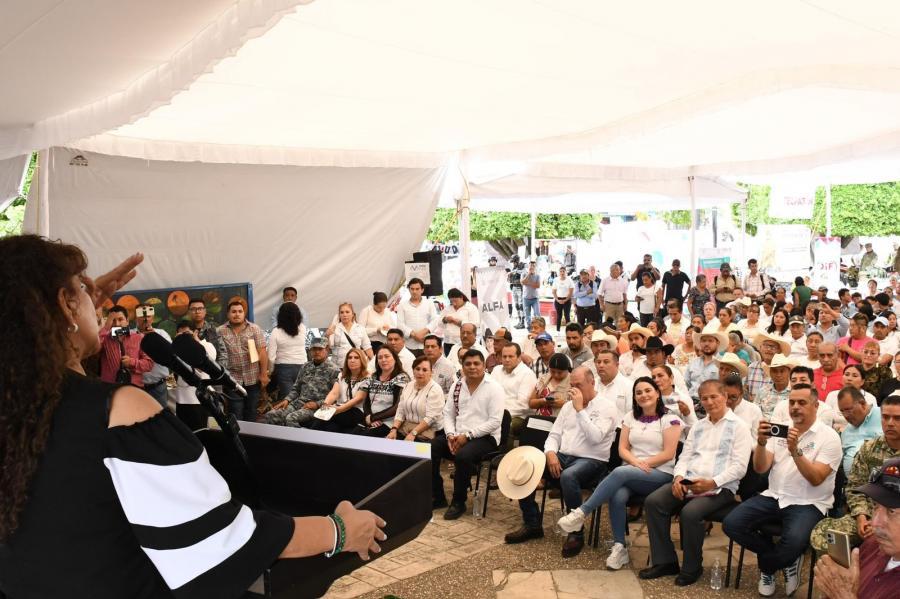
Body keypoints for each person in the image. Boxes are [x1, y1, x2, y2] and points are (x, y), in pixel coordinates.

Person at [0, 236, 385, 599]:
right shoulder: (119, 411)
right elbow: (220, 540)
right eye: (82, 290)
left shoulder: (16, 413)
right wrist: (339, 531)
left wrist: (70, 312)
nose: (97, 300)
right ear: (65, 305)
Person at [724, 384, 841, 597]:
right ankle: (785, 560)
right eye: (792, 402)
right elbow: (761, 468)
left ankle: (769, 567)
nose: (795, 407)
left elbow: (816, 479)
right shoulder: (780, 429)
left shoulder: (829, 437)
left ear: (816, 406)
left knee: (794, 542)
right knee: (732, 524)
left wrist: (795, 451)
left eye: (802, 402)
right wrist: (761, 443)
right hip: (774, 496)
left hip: (808, 502)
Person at [557, 377, 680, 569]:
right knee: (617, 494)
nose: (643, 395)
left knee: (619, 472)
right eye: (638, 392)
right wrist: (635, 463)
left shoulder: (670, 419)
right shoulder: (630, 417)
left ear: (657, 393)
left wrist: (640, 464)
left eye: (648, 390)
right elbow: (622, 449)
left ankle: (581, 512)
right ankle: (619, 547)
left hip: (660, 473)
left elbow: (669, 453)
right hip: (633, 471)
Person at [639, 380, 752, 586]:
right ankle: (665, 561)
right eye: (704, 398)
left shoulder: (739, 427)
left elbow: (740, 467)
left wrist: (712, 483)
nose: (709, 402)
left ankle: (692, 567)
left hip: (721, 487)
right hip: (690, 481)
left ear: (725, 396)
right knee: (654, 502)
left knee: (690, 512)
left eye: (714, 396)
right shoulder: (698, 426)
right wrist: (678, 478)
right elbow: (685, 456)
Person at [506, 367, 618, 557]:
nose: (573, 390)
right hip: (564, 455)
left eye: (578, 385)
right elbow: (554, 435)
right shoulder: (567, 407)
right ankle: (532, 523)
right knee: (528, 466)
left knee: (569, 475)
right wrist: (550, 453)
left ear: (592, 382)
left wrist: (580, 410)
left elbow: (596, 438)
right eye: (572, 385)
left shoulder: (606, 407)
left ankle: (576, 532)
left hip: (593, 460)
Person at [809, 396, 900, 553]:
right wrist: (861, 516)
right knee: (822, 534)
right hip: (867, 515)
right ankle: (844, 569)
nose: (890, 423)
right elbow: (855, 487)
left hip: (897, 522)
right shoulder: (869, 448)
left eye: (897, 418)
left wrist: (883, 523)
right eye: (885, 417)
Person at [431, 349, 504, 518]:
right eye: (468, 364)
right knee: (431, 448)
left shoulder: (494, 388)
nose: (472, 367)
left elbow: (495, 422)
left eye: (476, 363)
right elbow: (448, 413)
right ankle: (438, 496)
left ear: (484, 366)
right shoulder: (458, 385)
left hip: (486, 438)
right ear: (462, 366)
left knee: (463, 456)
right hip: (458, 434)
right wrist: (450, 435)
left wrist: (468, 436)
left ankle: (459, 502)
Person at [814, 456, 900, 599]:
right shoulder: (874, 545)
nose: (874, 522)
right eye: (876, 506)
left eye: (891, 511)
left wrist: (844, 596)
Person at [264, 338, 340, 427]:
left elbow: (336, 397)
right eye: (314, 349)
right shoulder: (306, 366)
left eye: (320, 349)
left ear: (327, 349)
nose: (317, 352)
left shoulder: (334, 370)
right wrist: (287, 400)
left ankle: (300, 436)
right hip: (299, 403)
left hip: (319, 408)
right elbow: (296, 388)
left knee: (291, 418)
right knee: (271, 415)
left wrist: (317, 404)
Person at [217, 299, 269, 421]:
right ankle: (239, 433)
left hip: (253, 378)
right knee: (236, 411)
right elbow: (218, 354)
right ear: (228, 314)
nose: (237, 314)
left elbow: (262, 352)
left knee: (251, 411)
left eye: (240, 311)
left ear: (244, 313)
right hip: (232, 379)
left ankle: (250, 433)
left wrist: (263, 374)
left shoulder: (254, 329)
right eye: (234, 311)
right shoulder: (220, 331)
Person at [309, 348, 369, 434]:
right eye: (350, 358)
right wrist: (325, 404)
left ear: (362, 360)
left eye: (356, 357)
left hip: (356, 411)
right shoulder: (341, 375)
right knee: (330, 427)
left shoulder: (367, 378)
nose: (352, 360)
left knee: (322, 420)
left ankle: (310, 434)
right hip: (339, 410)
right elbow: (334, 393)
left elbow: (358, 399)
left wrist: (339, 409)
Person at [172, 320, 217, 431]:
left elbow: (200, 368)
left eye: (187, 334)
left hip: (200, 399)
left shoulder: (207, 346)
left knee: (202, 432)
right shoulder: (176, 349)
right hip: (181, 399)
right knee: (185, 433)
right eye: (181, 335)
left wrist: (189, 346)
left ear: (196, 332)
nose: (184, 338)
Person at [386, 356, 444, 441]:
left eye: (424, 370)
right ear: (413, 370)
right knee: (389, 443)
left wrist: (413, 433)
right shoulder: (408, 386)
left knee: (408, 448)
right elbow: (401, 411)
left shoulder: (435, 389)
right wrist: (394, 429)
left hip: (428, 431)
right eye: (417, 369)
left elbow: (431, 418)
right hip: (406, 428)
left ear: (431, 372)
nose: (420, 373)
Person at [356, 346, 410, 437]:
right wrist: (369, 416)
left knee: (365, 437)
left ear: (395, 358)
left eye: (387, 356)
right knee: (353, 434)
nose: (383, 360)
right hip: (371, 419)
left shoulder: (402, 378)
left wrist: (373, 417)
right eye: (380, 357)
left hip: (389, 422)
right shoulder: (374, 376)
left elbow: (397, 407)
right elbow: (366, 402)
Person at [492, 343, 537, 449]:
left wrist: (501, 415)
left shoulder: (527, 374)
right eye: (504, 356)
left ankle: (506, 455)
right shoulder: (497, 370)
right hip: (496, 412)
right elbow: (489, 393)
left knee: (507, 425)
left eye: (511, 356)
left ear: (519, 357)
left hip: (519, 416)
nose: (507, 360)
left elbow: (523, 405)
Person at [98, 305, 153, 387]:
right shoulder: (104, 339)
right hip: (109, 388)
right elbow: (92, 348)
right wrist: (106, 327)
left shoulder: (139, 338)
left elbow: (149, 364)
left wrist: (131, 362)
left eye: (120, 319)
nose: (117, 324)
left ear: (127, 321)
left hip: (134, 388)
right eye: (113, 320)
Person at [267, 302, 308, 401]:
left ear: (280, 315)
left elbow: (271, 356)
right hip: (302, 366)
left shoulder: (276, 331)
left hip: (283, 369)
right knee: (302, 398)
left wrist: (270, 371)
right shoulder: (302, 328)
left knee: (287, 400)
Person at [837, 386, 883, 473]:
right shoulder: (846, 433)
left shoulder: (885, 416)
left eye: (848, 410)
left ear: (863, 404)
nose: (845, 415)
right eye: (842, 411)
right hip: (852, 480)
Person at [134, 303, 171, 408]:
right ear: (136, 317)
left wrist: (154, 337)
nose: (145, 318)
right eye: (141, 314)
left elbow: (170, 353)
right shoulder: (130, 335)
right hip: (136, 388)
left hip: (158, 387)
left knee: (161, 415)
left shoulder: (162, 333)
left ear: (153, 318)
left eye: (148, 315)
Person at [684, 324, 727, 406]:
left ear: (717, 343)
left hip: (713, 404)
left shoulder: (724, 363)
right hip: (691, 402)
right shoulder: (693, 363)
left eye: (710, 341)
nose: (706, 344)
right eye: (703, 341)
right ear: (700, 343)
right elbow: (686, 384)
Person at [826, 365, 878, 430]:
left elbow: (872, 423)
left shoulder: (870, 398)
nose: (849, 378)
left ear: (862, 381)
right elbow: (826, 421)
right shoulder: (832, 395)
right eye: (847, 374)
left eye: (855, 376)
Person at [326, 302, 374, 370]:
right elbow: (329, 347)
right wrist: (328, 336)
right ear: (339, 315)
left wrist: (374, 364)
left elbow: (367, 347)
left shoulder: (360, 328)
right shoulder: (334, 328)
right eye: (342, 312)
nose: (344, 314)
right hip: (338, 367)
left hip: (356, 366)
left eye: (347, 312)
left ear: (352, 314)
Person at [396, 277, 437, 354]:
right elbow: (400, 324)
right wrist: (414, 335)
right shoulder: (402, 305)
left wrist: (422, 333)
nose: (414, 291)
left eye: (417, 289)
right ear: (409, 289)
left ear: (422, 290)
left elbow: (435, 320)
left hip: (426, 344)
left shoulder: (429, 303)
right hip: (409, 345)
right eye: (412, 289)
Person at [435, 288, 480, 355]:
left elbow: (475, 325)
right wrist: (445, 320)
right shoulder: (447, 308)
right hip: (448, 342)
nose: (454, 304)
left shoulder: (470, 308)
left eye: (455, 301)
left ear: (461, 298)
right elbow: (439, 323)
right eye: (451, 301)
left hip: (464, 342)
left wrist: (457, 322)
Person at [187, 297, 227, 368]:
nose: (197, 312)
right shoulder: (185, 331)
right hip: (191, 371)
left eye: (200, 308)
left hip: (213, 371)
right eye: (193, 309)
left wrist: (217, 371)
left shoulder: (214, 330)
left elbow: (223, 354)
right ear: (189, 312)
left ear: (205, 311)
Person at [723, 374, 762, 442]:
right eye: (726, 396)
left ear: (741, 394)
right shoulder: (717, 408)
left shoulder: (754, 410)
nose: (729, 401)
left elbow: (756, 440)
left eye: (733, 397)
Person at [754, 353, 794, 420]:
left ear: (789, 372)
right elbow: (754, 413)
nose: (778, 375)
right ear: (770, 373)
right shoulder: (762, 391)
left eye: (782, 371)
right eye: (775, 371)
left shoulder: (795, 393)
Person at [507, 255, 527, 329]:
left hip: (520, 287)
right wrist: (509, 277)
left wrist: (514, 272)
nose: (513, 263)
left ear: (517, 261)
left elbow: (525, 272)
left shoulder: (522, 265)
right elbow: (510, 279)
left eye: (514, 262)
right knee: (516, 305)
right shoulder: (514, 268)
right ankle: (519, 321)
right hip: (514, 287)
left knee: (521, 305)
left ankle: (522, 322)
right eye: (513, 262)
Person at [553, 265, 574, 331]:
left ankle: (569, 331)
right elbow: (554, 291)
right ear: (559, 272)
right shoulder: (556, 280)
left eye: (563, 271)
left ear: (565, 272)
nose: (562, 273)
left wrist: (566, 300)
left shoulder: (569, 280)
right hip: (558, 300)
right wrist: (557, 300)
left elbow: (571, 292)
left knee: (567, 316)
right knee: (559, 316)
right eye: (561, 271)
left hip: (567, 300)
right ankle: (558, 331)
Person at [521, 260, 541, 328]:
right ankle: (530, 329)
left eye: (533, 266)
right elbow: (522, 282)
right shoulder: (524, 274)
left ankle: (538, 328)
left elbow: (538, 286)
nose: (532, 267)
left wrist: (528, 283)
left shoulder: (537, 275)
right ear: (528, 266)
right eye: (531, 265)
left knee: (537, 314)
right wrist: (529, 274)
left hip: (535, 299)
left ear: (535, 267)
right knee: (527, 316)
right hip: (526, 299)